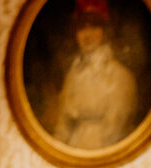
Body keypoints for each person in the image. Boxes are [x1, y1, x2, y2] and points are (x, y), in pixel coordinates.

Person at [53, 0, 138, 150]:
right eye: (81, 28)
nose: (87, 35)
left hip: (102, 150)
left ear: (104, 32)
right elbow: (63, 125)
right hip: (72, 150)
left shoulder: (119, 76)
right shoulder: (73, 73)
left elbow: (114, 131)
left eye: (94, 27)